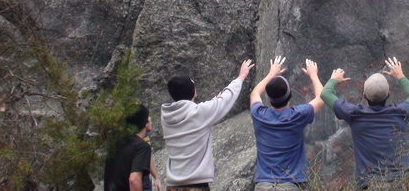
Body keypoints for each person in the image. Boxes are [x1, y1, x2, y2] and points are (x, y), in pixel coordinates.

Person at [321, 58, 409, 188]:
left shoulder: (355, 114)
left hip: (370, 184)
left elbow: (326, 93)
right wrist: (400, 75)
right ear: (389, 94)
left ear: (365, 96)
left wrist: (334, 79)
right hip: (401, 182)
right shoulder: (401, 112)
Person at [161, 59, 255, 190]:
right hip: (196, 185)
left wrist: (213, 102)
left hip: (172, 186)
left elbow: (194, 111)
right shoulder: (201, 112)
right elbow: (226, 98)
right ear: (193, 92)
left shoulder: (166, 116)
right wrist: (241, 76)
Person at [249, 57, 325, 189]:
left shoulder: (259, 114)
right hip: (291, 185)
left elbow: (255, 93)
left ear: (269, 97)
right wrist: (313, 75)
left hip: (263, 185)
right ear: (290, 96)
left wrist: (271, 74)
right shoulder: (298, 115)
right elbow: (322, 98)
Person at [104, 104, 162, 191]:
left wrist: (156, 177)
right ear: (145, 122)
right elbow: (134, 180)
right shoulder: (141, 146)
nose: (150, 119)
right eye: (148, 117)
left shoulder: (117, 143)